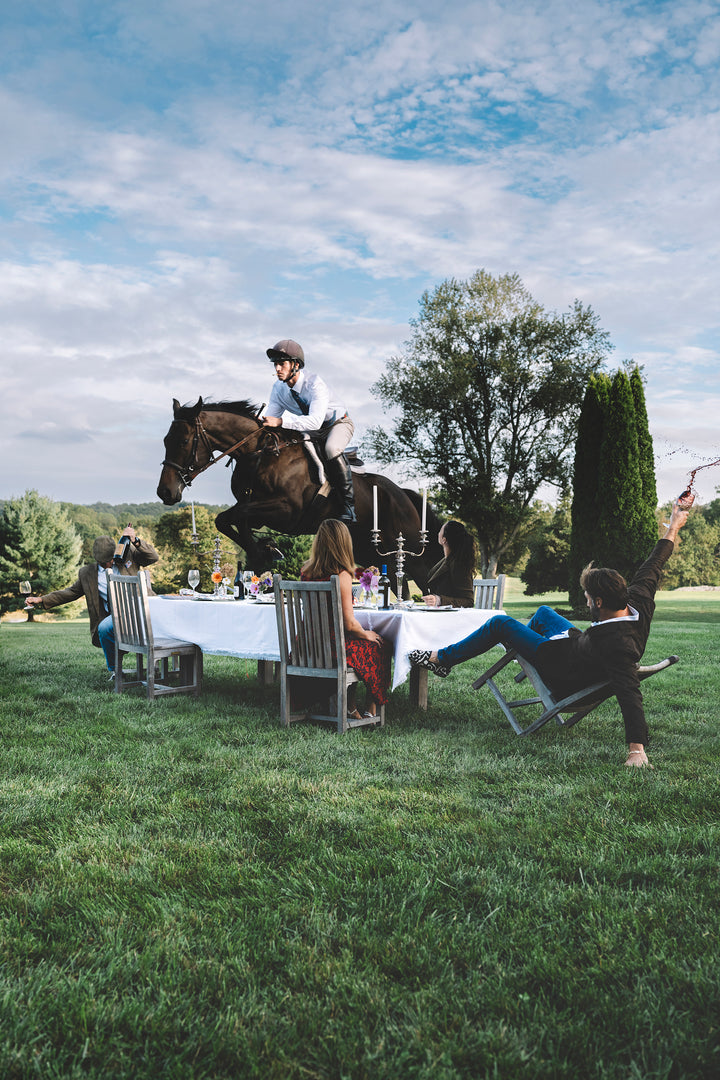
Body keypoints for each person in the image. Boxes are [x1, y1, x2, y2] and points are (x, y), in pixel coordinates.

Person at [410, 500, 691, 768]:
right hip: (574, 644)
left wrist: (636, 750)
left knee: (499, 623)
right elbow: (655, 562)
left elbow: (630, 694)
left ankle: (441, 658)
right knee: (544, 612)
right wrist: (674, 525)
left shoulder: (618, 647)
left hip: (558, 665)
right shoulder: (637, 600)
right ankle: (519, 651)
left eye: (588, 597)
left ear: (600, 602)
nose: (586, 600)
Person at [25, 525, 159, 678]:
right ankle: (116, 671)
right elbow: (70, 593)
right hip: (117, 617)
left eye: (110, 560)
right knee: (103, 628)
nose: (109, 564)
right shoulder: (87, 573)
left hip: (142, 610)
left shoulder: (128, 556)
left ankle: (157, 663)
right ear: (96, 559)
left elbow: (152, 557)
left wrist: (135, 541)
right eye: (103, 563)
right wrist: (41, 599)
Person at [301, 519, 392, 720]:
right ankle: (372, 708)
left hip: (308, 648)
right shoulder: (341, 575)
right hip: (333, 651)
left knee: (360, 644)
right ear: (343, 544)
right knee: (380, 644)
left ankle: (351, 707)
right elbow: (349, 624)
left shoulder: (306, 573)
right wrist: (366, 633)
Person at [263, 338, 357, 523]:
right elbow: (271, 419)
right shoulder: (278, 389)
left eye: (282, 364)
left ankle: (349, 506)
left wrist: (281, 421)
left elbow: (314, 422)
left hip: (338, 424)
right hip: (313, 430)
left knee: (331, 449)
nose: (277, 369)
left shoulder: (315, 384)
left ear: (296, 365)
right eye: (275, 365)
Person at [422, 519, 475, 608]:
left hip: (452, 618)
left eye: (440, 531)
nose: (438, 533)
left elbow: (468, 601)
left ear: (444, 540)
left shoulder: (459, 564)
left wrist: (439, 600)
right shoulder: (446, 560)